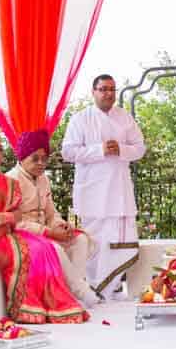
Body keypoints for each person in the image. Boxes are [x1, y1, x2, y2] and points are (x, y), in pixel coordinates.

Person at [0, 126, 88, 325]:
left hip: (0, 233)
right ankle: (27, 307)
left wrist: (7, 216)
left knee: (42, 247)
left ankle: (49, 304)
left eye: (0, 150)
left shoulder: (5, 181)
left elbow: (18, 213)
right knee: (32, 250)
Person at [61, 75, 146, 298]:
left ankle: (113, 285)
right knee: (95, 243)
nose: (108, 93)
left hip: (119, 192)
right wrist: (100, 150)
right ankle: (95, 288)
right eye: (103, 89)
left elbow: (139, 148)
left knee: (120, 238)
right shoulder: (81, 119)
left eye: (111, 89)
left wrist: (121, 150)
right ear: (93, 91)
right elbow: (68, 152)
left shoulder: (124, 118)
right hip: (93, 194)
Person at [6, 128, 98, 307]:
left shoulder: (43, 179)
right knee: (54, 247)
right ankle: (81, 291)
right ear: (22, 157)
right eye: (35, 158)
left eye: (44, 158)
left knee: (80, 240)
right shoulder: (11, 180)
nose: (41, 163)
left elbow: (51, 212)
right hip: (23, 235)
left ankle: (75, 291)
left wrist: (61, 225)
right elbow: (15, 222)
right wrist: (48, 232)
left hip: (45, 232)